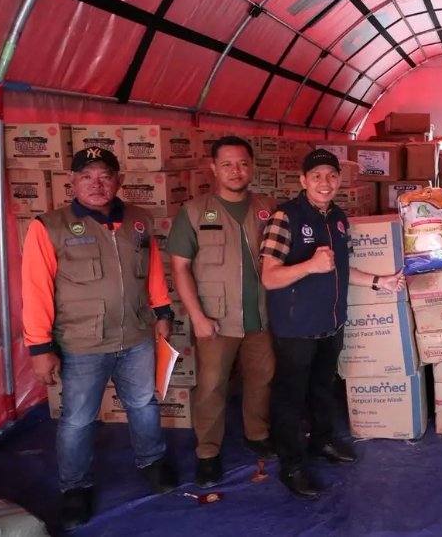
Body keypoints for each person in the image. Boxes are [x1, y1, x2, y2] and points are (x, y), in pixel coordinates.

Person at [21, 147, 177, 529]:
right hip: (81, 344)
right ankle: (75, 487)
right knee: (77, 420)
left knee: (143, 404)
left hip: (136, 336)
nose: (97, 184)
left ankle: (152, 462)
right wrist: (40, 347)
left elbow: (152, 270)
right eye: (87, 176)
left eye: (105, 175)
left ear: (118, 180)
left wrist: (162, 311)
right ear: (72, 182)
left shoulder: (139, 220)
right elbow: (35, 289)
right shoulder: (49, 226)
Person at [260, 148, 404, 500]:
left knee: (323, 388)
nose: (325, 182)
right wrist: (309, 265)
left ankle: (322, 442)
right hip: (296, 328)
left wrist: (379, 282)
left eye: (331, 175)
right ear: (303, 180)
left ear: (339, 180)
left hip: (331, 323)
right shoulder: (285, 217)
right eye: (317, 176)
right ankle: (292, 466)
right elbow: (269, 277)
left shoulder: (338, 218)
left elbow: (340, 268)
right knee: (290, 399)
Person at [166, 136, 277, 488]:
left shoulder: (268, 208)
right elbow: (180, 267)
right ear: (213, 168)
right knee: (211, 386)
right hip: (216, 320)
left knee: (261, 379)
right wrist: (197, 316)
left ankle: (257, 434)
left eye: (242, 163)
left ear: (252, 167)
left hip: (262, 316)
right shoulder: (194, 212)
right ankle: (208, 452)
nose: (236, 170)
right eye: (227, 164)